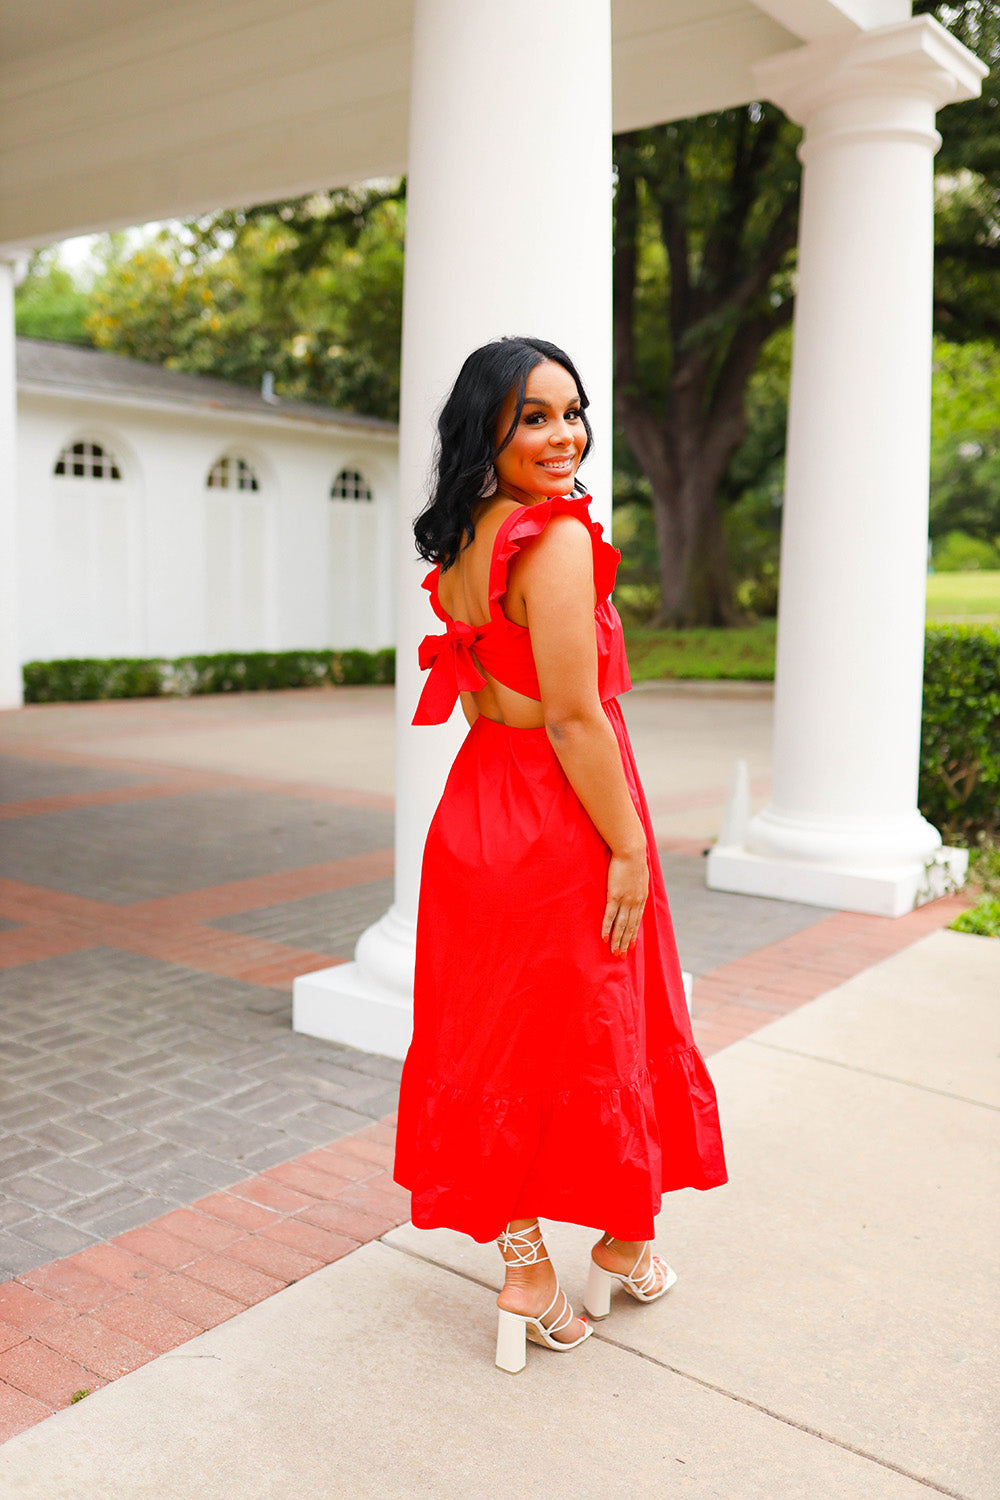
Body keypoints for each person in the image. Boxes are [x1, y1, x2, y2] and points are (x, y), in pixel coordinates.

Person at [393, 335, 727, 1374]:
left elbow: (501, 697)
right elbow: (577, 719)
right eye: (533, 416)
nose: (563, 433)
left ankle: (533, 1262)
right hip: (559, 818)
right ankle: (618, 1243)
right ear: (486, 428)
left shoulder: (462, 541)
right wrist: (629, 846)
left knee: (501, 1041)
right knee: (596, 1032)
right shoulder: (558, 540)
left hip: (480, 812)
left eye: (570, 412)